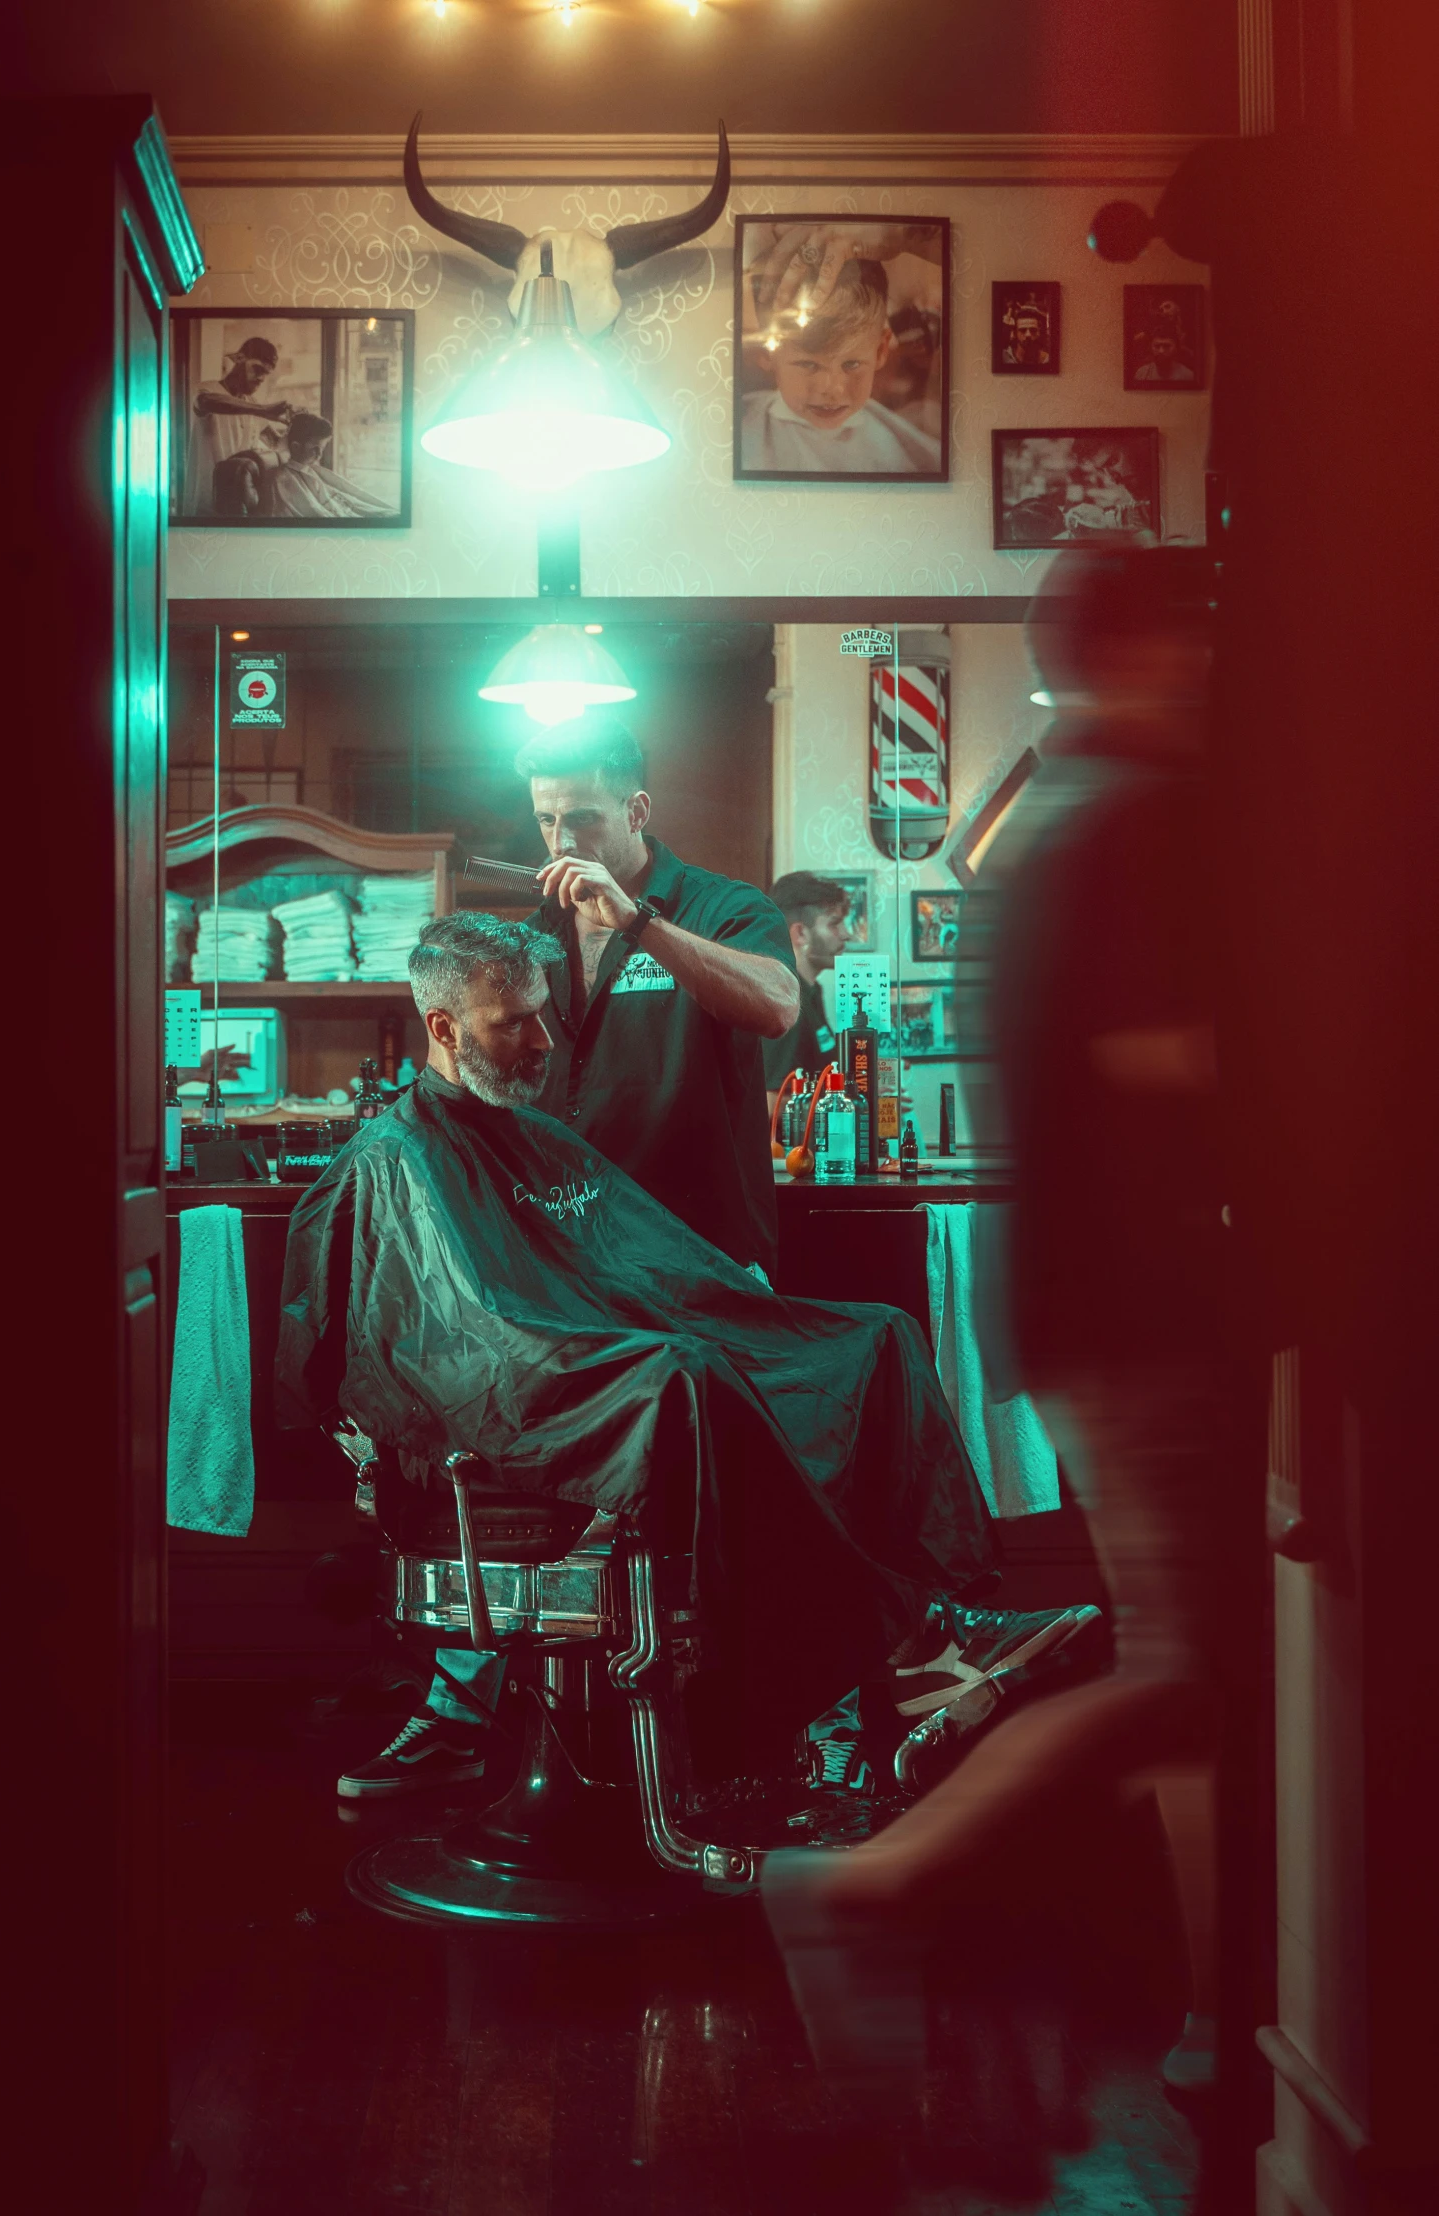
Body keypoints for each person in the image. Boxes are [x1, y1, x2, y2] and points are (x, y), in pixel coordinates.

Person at [279, 913, 1102, 1803]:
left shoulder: (535, 1138)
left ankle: (927, 1634)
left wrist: (723, 1304)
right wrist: (642, 1345)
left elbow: (630, 1270)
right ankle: (900, 1653)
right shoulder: (391, 1160)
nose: (541, 1039)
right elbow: (448, 1341)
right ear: (442, 1028)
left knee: (873, 1339)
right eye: (510, 1021)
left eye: (543, 1014)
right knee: (687, 1376)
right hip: (515, 1402)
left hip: (603, 1360)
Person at [763, 543, 1226, 2104]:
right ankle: (868, 1888)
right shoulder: (1136, 829)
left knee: (1197, 1687)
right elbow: (1173, 1069)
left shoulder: (1053, 832)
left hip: (1095, 1302)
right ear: (1154, 653)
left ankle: (1220, 2023)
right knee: (1191, 1677)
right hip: (1154, 1306)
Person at [515, 717, 801, 1282]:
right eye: (546, 820)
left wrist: (638, 922)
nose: (561, 843)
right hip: (572, 1256)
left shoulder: (724, 907)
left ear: (636, 811)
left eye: (582, 818)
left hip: (702, 1254)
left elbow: (778, 1006)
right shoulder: (533, 935)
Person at [739, 262, 942, 475]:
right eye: (809, 364)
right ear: (766, 352)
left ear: (880, 351)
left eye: (851, 364)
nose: (832, 389)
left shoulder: (917, 456)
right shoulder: (738, 430)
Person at [761, 871, 851, 1132]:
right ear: (801, 933)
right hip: (789, 1164)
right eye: (834, 924)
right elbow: (770, 1103)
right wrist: (850, 1103)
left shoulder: (811, 993)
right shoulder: (785, 1000)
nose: (846, 934)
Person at [187, 335, 290, 513]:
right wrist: (262, 410)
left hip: (238, 503)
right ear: (240, 358)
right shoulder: (206, 390)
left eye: (266, 373)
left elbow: (275, 443)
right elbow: (206, 401)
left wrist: (294, 427)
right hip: (206, 503)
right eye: (257, 368)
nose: (261, 378)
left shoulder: (252, 403)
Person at [269, 413, 394, 520]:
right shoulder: (285, 479)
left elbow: (352, 496)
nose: (319, 455)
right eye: (314, 449)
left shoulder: (314, 471)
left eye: (322, 449)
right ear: (296, 447)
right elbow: (314, 512)